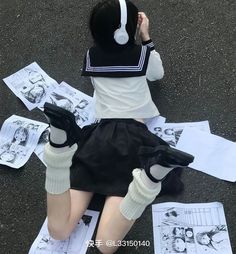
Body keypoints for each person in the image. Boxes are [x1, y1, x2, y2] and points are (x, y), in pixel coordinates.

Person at [42, 1, 194, 253]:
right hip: (134, 141)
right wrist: (145, 38)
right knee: (105, 245)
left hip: (99, 139)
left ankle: (58, 148)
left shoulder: (91, 56)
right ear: (129, 29)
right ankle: (149, 179)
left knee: (57, 231)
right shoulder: (142, 56)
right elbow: (157, 74)